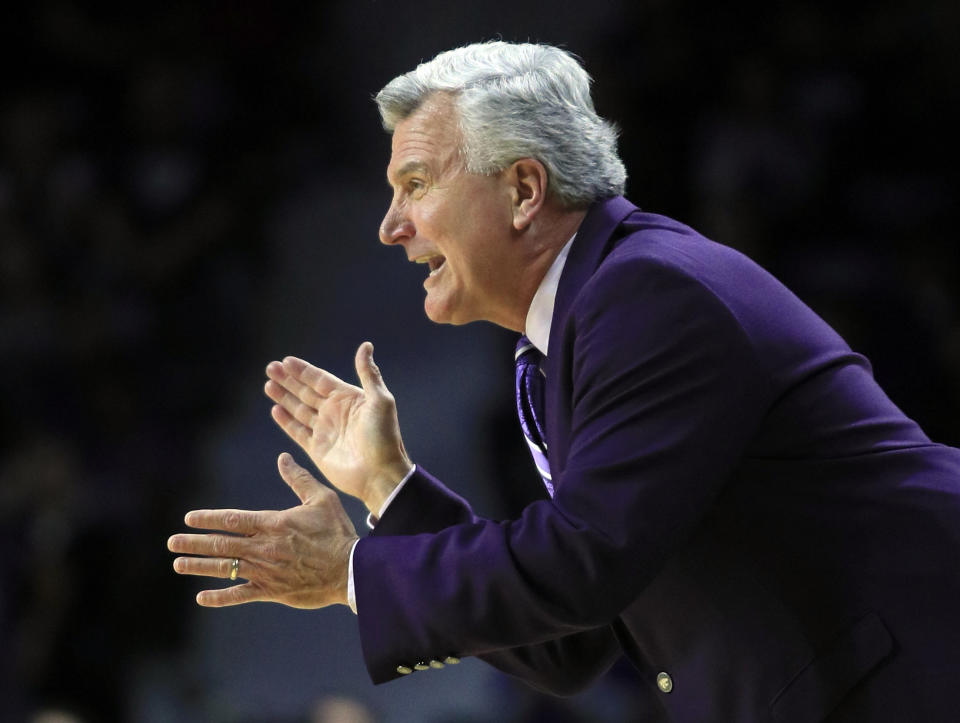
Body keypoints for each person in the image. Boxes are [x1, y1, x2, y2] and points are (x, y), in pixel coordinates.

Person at [168, 41, 960, 721]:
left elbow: (579, 568)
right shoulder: (575, 330)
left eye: (415, 184)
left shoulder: (649, 296)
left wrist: (351, 571)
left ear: (522, 189)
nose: (389, 225)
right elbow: (568, 643)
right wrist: (388, 484)